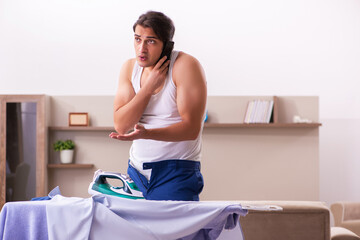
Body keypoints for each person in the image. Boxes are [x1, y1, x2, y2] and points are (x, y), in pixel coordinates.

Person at [109, 11, 207, 201]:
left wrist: (148, 134)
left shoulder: (186, 66)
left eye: (151, 41)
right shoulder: (129, 68)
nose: (141, 49)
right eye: (138, 39)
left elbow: (191, 129)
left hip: (176, 171)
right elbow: (121, 125)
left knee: (175, 230)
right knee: (133, 230)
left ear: (167, 46)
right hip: (136, 172)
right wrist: (147, 89)